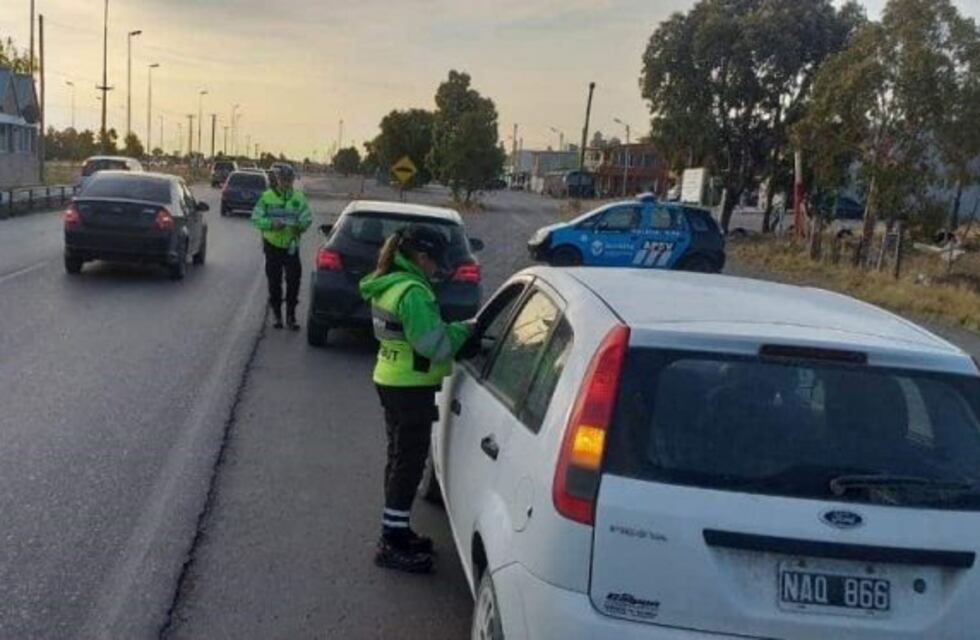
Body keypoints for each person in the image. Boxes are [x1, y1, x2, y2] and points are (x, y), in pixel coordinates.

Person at [359, 224, 473, 574]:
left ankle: (396, 529)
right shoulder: (413, 292)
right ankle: (390, 544)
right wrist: (463, 330)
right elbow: (433, 344)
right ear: (421, 257)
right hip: (410, 386)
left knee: (398, 459)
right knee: (408, 464)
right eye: (436, 261)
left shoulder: (388, 282)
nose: (438, 269)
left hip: (390, 378)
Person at [251, 165, 312, 330]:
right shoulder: (267, 197)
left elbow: (307, 218)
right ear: (277, 180)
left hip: (291, 245)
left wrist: (300, 226)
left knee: (294, 280)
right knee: (274, 281)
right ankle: (277, 315)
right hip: (272, 245)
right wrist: (270, 224)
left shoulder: (299, 198)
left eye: (288, 180)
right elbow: (255, 218)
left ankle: (291, 315)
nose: (285, 182)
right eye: (282, 179)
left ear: (292, 180)